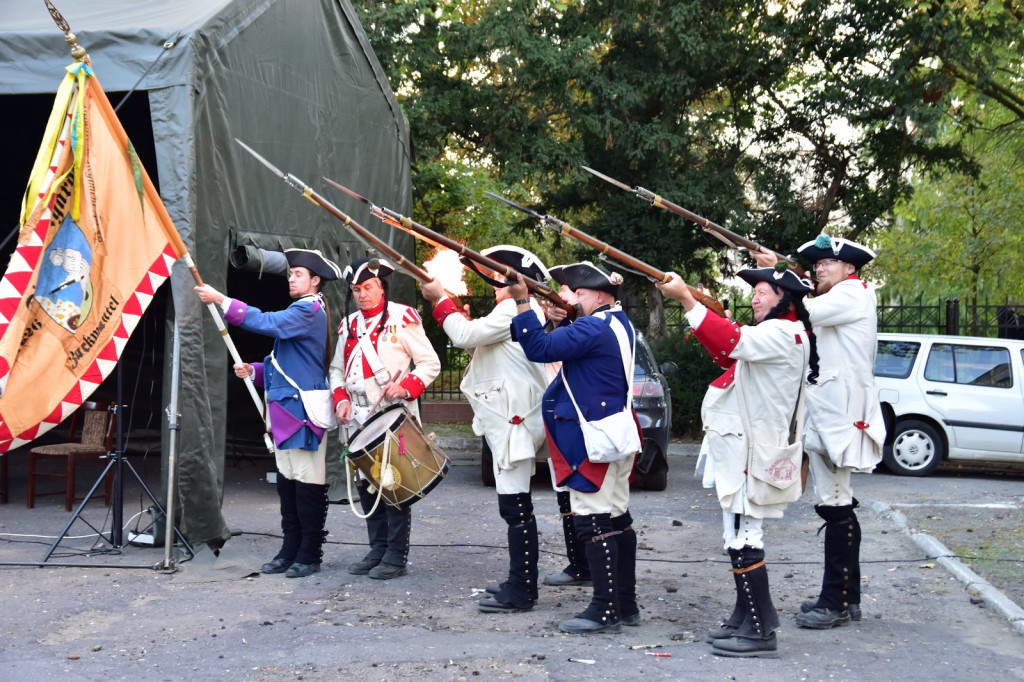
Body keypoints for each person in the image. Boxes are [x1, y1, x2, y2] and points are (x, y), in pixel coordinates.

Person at [658, 265, 817, 658]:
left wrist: (687, 299)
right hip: (745, 447)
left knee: (745, 535)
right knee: (737, 533)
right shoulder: (780, 332)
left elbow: (730, 341)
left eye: (763, 292)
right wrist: (710, 316)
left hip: (751, 450)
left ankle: (760, 629)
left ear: (785, 298)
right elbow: (727, 354)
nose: (755, 298)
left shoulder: (782, 332)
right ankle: (745, 618)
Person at [754, 236, 885, 629]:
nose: (820, 268)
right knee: (836, 502)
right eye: (818, 264)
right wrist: (782, 270)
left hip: (839, 414)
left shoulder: (851, 293)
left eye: (829, 262)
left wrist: (778, 273)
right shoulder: (844, 293)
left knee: (836, 504)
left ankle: (837, 602)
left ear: (850, 268)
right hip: (832, 411)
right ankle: (846, 597)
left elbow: (802, 309)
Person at [507, 261, 640, 635]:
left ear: (598, 295)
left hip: (592, 439)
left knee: (593, 520)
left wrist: (522, 302)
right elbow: (569, 344)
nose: (571, 298)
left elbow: (538, 348)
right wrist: (559, 319)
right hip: (613, 434)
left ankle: (604, 609)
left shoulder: (593, 326)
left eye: (577, 293)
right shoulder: (615, 322)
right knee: (617, 519)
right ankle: (624, 604)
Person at [195, 248, 341, 578]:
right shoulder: (301, 310)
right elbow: (287, 362)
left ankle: (309, 553)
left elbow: (267, 322)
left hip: (301, 411)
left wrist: (222, 300)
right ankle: (290, 549)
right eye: (290, 274)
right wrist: (256, 371)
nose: (291, 278)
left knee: (307, 484)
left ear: (315, 281)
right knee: (288, 483)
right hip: (286, 410)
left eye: (298, 274)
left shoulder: (308, 309)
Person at [420, 246, 550, 613]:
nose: (494, 285)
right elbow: (479, 346)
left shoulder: (515, 309)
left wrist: (440, 299)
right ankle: (519, 580)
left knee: (516, 507)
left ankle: (523, 589)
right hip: (510, 419)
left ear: (519, 282)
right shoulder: (514, 310)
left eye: (500, 279)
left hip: (514, 421)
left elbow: (463, 335)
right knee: (515, 506)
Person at [330, 257, 440, 580]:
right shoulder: (349, 324)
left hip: (392, 416)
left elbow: (430, 363)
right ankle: (377, 549)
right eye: (357, 290)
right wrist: (340, 399)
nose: (362, 294)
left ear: (381, 288)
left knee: (394, 483)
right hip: (358, 416)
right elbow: (336, 370)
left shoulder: (402, 318)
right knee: (366, 484)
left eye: (368, 287)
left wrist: (405, 387)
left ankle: (395, 555)